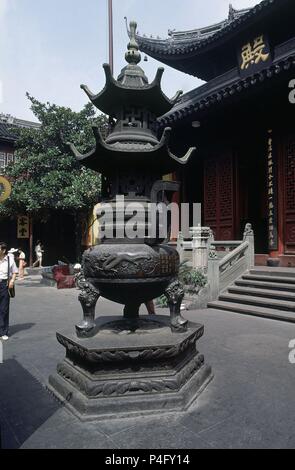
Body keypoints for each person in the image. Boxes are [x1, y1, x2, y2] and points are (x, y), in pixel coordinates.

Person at [0, 242, 18, 341]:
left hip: (4, 285)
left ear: (3, 250)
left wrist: (12, 280)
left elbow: (15, 271)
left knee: (4, 309)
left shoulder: (9, 260)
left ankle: (3, 331)